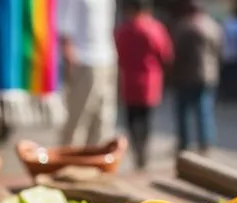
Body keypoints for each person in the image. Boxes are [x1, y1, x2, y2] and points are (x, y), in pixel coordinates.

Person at [114, 0, 173, 169]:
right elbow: (165, 53)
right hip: (149, 81)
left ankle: (137, 148)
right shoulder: (154, 28)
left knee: (132, 119)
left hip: (129, 81)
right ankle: (143, 149)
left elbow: (117, 52)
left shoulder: (124, 30)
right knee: (146, 119)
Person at [58, 0, 117, 146]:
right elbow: (62, 25)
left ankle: (95, 165)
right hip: (85, 60)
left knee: (103, 121)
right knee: (78, 121)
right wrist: (68, 55)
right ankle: (69, 163)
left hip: (107, 58)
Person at [171, 0, 222, 154]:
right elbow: (220, 51)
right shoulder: (213, 27)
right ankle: (205, 143)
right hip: (208, 75)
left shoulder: (184, 26)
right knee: (204, 110)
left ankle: (184, 143)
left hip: (186, 75)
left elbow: (175, 51)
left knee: (184, 111)